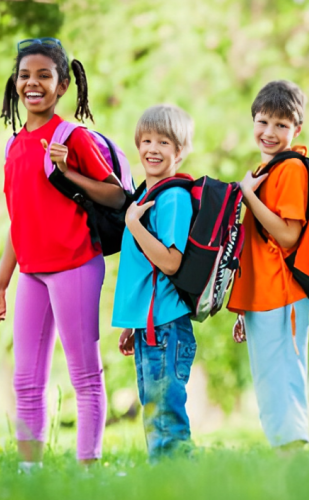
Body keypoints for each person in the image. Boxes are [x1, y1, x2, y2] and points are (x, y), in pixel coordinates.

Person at [0, 38, 126, 470]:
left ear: (62, 87)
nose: (32, 83)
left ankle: (88, 470)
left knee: (84, 375)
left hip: (76, 264)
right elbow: (18, 224)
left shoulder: (71, 136)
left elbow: (117, 196)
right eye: (25, 75)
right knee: (25, 380)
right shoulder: (13, 147)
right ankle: (29, 473)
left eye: (44, 75)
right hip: (33, 273)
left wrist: (68, 170)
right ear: (15, 84)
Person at [228, 80, 309, 449]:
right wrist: (243, 307)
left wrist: (249, 196)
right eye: (263, 121)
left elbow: (287, 237)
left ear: (296, 130)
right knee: (270, 384)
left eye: (281, 125)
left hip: (282, 294)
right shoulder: (264, 170)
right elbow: (254, 245)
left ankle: (294, 462)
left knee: (283, 382)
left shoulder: (291, 170)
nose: (269, 132)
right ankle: (285, 463)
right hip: (262, 295)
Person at [114, 104, 197, 461]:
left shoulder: (173, 197)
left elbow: (170, 261)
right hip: (151, 326)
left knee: (166, 420)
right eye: (146, 140)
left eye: (163, 142)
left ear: (180, 151)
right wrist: (133, 323)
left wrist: (133, 224)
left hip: (166, 328)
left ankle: (180, 485)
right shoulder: (146, 198)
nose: (152, 148)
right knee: (155, 415)